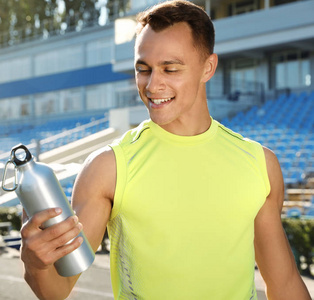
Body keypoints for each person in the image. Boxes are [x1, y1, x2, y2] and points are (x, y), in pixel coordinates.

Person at [19, 1, 311, 299]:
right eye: (143, 69)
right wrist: (35, 264)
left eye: (170, 69)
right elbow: (56, 290)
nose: (153, 85)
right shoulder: (108, 167)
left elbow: (284, 282)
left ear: (208, 68)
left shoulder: (259, 163)